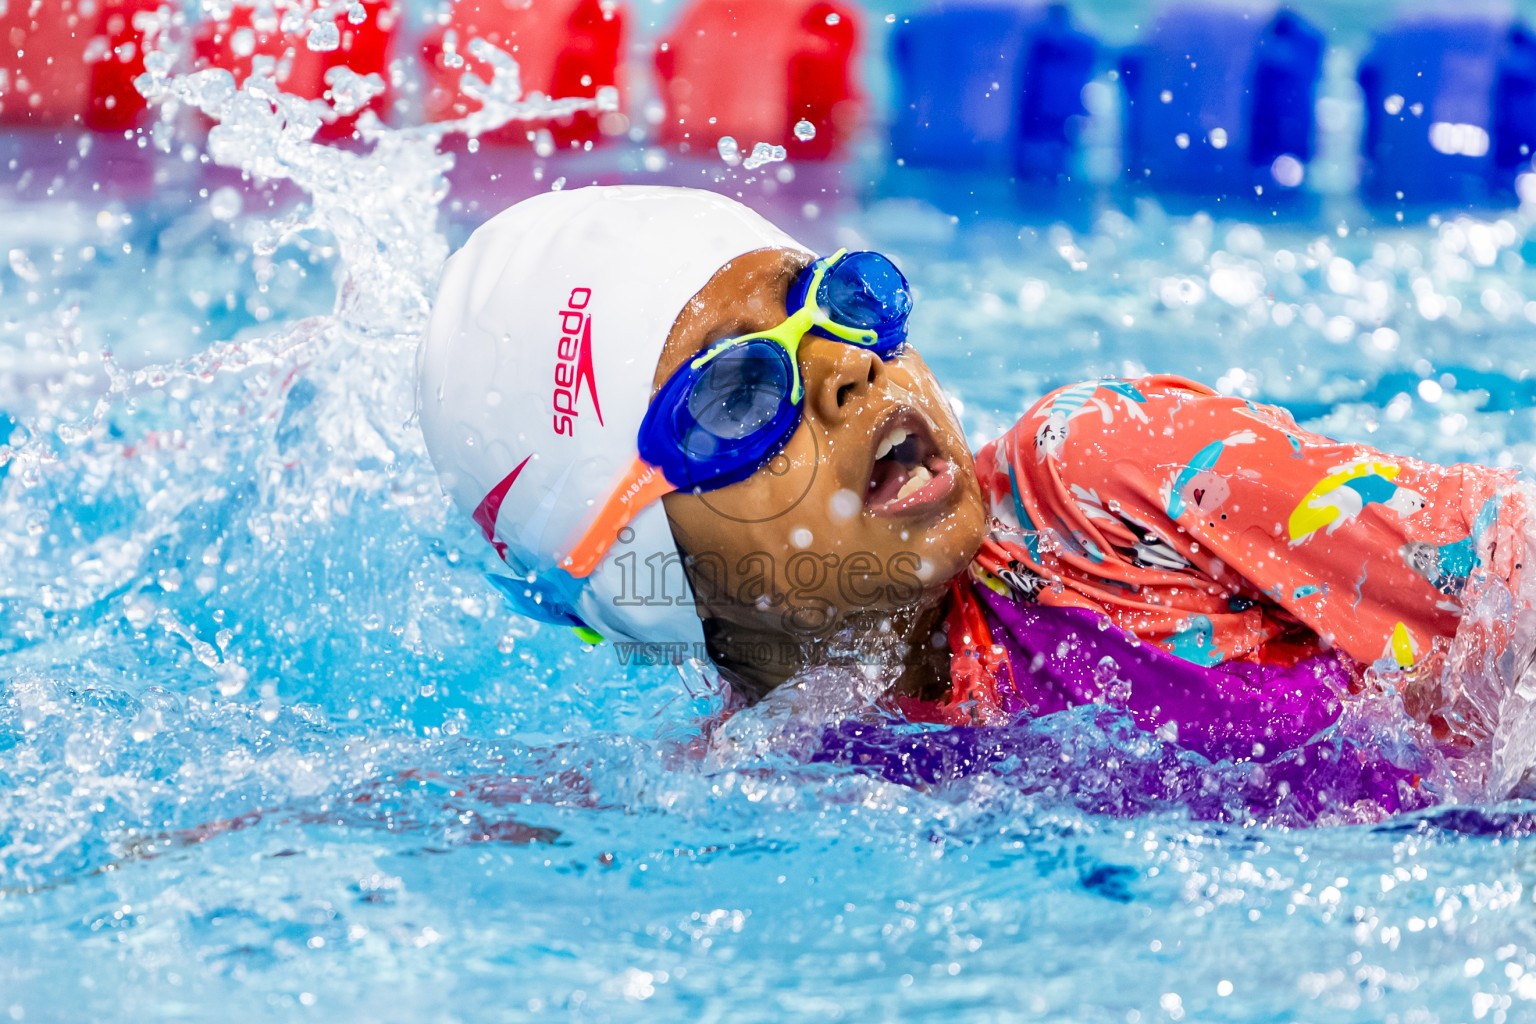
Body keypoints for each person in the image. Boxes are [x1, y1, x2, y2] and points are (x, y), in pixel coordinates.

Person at [418, 185, 1536, 801]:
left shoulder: (1103, 484)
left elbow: (1514, 585)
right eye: (743, 389)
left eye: (833, 299)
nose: (849, 367)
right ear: (633, 564)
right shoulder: (760, 781)